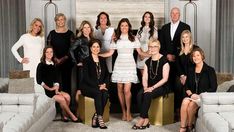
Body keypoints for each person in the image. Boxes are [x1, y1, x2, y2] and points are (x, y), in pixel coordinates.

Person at [99, 18, 150, 121]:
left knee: (127, 90)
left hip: (129, 65)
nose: (124, 27)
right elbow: (110, 53)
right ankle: (123, 112)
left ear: (129, 27)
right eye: (122, 25)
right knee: (120, 89)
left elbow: (140, 52)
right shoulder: (115, 39)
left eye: (126, 25)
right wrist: (98, 54)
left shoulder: (134, 38)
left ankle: (128, 112)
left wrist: (151, 54)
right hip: (119, 65)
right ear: (119, 27)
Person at [159, 7, 191, 117]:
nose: (174, 15)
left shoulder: (186, 27)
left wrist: (175, 56)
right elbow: (161, 45)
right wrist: (167, 55)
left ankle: (178, 109)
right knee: (167, 84)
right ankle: (168, 110)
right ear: (170, 15)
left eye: (176, 13)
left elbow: (186, 43)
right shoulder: (164, 28)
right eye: (172, 13)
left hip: (180, 62)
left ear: (179, 15)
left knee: (178, 86)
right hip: (166, 61)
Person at [36, 46, 81, 123]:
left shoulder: (54, 65)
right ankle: (72, 116)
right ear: (44, 54)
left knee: (68, 96)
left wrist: (56, 89)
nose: (49, 53)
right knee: (62, 99)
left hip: (55, 89)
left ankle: (64, 115)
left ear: (53, 53)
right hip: (46, 90)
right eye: (47, 52)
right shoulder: (41, 65)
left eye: (51, 52)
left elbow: (56, 79)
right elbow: (39, 80)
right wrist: (50, 89)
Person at [132, 39, 170, 130]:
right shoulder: (147, 62)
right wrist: (145, 87)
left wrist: (152, 88)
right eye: (150, 46)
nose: (152, 48)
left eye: (154, 46)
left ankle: (141, 118)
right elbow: (144, 77)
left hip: (161, 86)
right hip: (149, 86)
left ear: (159, 47)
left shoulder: (164, 61)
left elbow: (165, 79)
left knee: (147, 94)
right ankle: (146, 119)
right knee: (139, 94)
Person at [179, 47, 217, 132]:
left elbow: (214, 88)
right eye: (193, 56)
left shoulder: (210, 70)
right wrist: (191, 94)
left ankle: (189, 126)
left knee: (192, 104)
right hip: (192, 96)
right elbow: (186, 86)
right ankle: (183, 127)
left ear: (202, 56)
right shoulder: (190, 70)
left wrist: (200, 96)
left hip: (203, 97)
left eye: (198, 55)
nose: (196, 57)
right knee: (185, 101)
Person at [81, 39, 109, 129]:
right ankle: (100, 118)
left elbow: (107, 75)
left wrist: (104, 84)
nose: (96, 48)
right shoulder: (86, 60)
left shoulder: (102, 60)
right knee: (98, 92)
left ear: (100, 48)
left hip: (100, 86)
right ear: (90, 48)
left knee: (105, 94)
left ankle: (95, 117)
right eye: (94, 47)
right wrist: (98, 86)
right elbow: (86, 77)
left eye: (97, 47)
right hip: (87, 86)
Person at [47, 13, 75, 96]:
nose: (60, 21)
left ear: (65, 20)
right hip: (54, 62)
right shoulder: (51, 33)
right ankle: (56, 105)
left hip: (67, 62)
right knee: (55, 83)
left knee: (66, 83)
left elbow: (72, 49)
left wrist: (63, 59)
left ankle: (67, 104)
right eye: (58, 20)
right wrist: (55, 58)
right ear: (55, 21)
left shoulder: (70, 33)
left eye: (62, 19)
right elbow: (49, 47)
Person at [69, 20, 94, 113]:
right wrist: (76, 62)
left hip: (92, 66)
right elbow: (71, 50)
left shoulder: (92, 39)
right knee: (81, 88)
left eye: (88, 27)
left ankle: (87, 110)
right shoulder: (80, 40)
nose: (87, 29)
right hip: (83, 67)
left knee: (89, 87)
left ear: (90, 29)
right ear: (82, 29)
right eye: (85, 27)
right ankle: (78, 110)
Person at [176, 30, 198, 110]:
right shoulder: (179, 49)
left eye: (186, 37)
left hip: (192, 74)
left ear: (190, 38)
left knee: (187, 84)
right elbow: (177, 64)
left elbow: (197, 63)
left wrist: (187, 76)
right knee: (178, 84)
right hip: (181, 74)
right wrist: (182, 75)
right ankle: (179, 109)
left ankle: (188, 108)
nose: (185, 39)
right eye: (183, 37)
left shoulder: (195, 48)